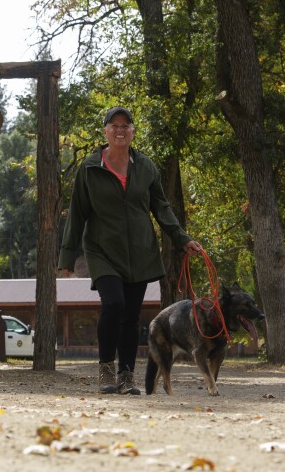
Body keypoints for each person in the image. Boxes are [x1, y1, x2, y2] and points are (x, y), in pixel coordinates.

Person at [58, 107, 203, 395]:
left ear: (133, 131)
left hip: (139, 251)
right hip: (102, 250)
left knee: (131, 315)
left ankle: (126, 375)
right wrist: (67, 256)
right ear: (105, 131)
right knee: (114, 304)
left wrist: (181, 238)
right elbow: (77, 214)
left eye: (126, 126)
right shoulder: (89, 168)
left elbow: (161, 207)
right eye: (114, 125)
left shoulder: (145, 166)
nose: (120, 130)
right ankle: (106, 369)